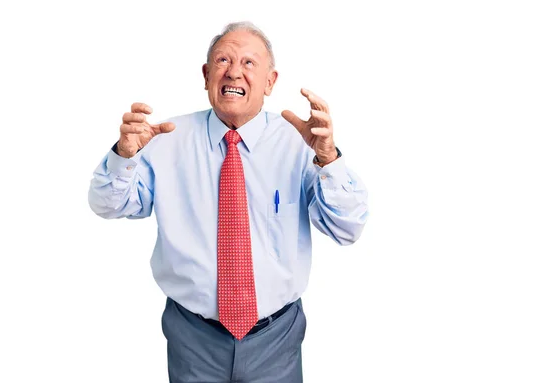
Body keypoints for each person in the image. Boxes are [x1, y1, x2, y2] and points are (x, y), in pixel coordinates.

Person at [88, 21, 368, 383]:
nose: (234, 71)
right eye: (223, 60)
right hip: (193, 336)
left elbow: (348, 228)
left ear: (270, 82)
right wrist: (123, 156)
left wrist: (329, 159)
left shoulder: (301, 144)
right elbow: (107, 204)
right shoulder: (164, 139)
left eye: (250, 63)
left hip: (276, 336)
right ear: (206, 75)